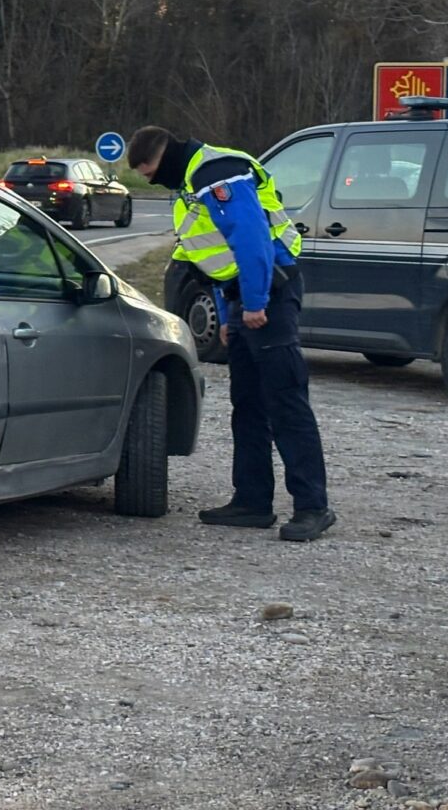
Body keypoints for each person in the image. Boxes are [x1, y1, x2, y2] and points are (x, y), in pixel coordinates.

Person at [127, 125, 336, 543]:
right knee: (248, 404)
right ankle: (252, 501)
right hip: (242, 297)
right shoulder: (192, 182)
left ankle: (313, 507)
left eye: (147, 169)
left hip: (270, 291)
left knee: (286, 402)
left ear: (162, 155)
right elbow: (217, 260)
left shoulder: (215, 173)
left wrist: (256, 303)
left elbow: (253, 240)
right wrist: (229, 314)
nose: (148, 178)